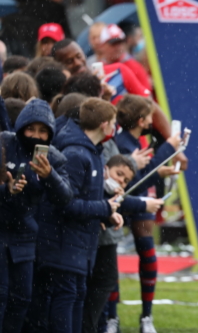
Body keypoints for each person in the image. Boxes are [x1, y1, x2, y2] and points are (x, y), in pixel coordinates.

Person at [25, 98, 123, 333]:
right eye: (113, 123)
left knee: (76, 299)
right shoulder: (77, 154)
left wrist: (103, 215)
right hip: (62, 247)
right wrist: (104, 209)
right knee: (64, 304)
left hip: (78, 248)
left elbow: (81, 201)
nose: (114, 128)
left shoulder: (91, 153)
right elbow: (66, 203)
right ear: (103, 124)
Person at [0, 98, 73, 333]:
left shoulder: (53, 158)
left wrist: (49, 176)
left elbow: (65, 197)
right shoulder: (4, 143)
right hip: (1, 230)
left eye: (42, 131)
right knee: (1, 296)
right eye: (30, 128)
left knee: (21, 299)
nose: (35, 135)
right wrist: (6, 190)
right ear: (20, 127)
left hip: (25, 235)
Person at [114, 94, 181, 333]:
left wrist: (160, 172)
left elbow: (144, 176)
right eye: (150, 116)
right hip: (128, 203)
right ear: (142, 120)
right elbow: (136, 184)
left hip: (138, 202)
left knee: (147, 252)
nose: (153, 121)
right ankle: (115, 317)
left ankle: (145, 317)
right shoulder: (122, 144)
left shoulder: (130, 142)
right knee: (112, 255)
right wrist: (169, 148)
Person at [82, 154, 165, 333]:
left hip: (94, 243)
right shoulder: (95, 176)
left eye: (126, 180)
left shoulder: (107, 185)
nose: (120, 181)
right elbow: (84, 203)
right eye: (118, 174)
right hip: (81, 246)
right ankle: (106, 321)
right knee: (90, 287)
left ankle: (106, 322)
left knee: (102, 283)